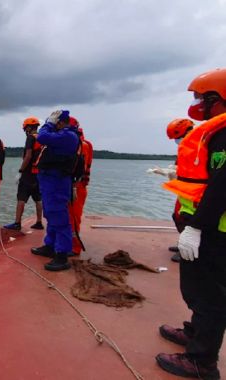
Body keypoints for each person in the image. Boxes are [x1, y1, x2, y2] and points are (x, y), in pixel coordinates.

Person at [157, 68, 226, 379]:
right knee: (197, 289)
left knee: (211, 295)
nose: (200, 104)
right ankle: (195, 332)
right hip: (206, 226)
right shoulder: (217, 132)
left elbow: (223, 186)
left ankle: (202, 362)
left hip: (215, 231)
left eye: (204, 98)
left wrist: (197, 226)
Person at [30, 110, 79, 271]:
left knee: (59, 217)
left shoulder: (68, 136)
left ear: (61, 122)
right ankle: (50, 246)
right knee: (50, 215)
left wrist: (48, 123)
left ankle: (62, 255)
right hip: (50, 180)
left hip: (57, 181)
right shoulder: (62, 135)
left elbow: (42, 136)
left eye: (55, 122)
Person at [3, 117, 44, 231]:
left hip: (28, 173)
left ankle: (17, 223)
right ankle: (39, 222)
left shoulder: (31, 138)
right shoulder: (42, 138)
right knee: (38, 199)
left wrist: (20, 171)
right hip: (38, 173)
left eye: (25, 128)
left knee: (21, 198)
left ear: (29, 128)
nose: (25, 131)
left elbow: (28, 156)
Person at [166, 118, 195, 262]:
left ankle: (188, 249)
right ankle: (183, 243)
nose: (177, 141)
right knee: (177, 216)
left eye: (178, 137)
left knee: (187, 218)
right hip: (183, 191)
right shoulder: (185, 148)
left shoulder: (201, 145)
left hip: (194, 192)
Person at [67, 117, 93, 255]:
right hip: (74, 186)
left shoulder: (81, 145)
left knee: (74, 219)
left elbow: (78, 170)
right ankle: (67, 244)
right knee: (68, 217)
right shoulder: (81, 143)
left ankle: (74, 247)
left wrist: (74, 187)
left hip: (76, 187)